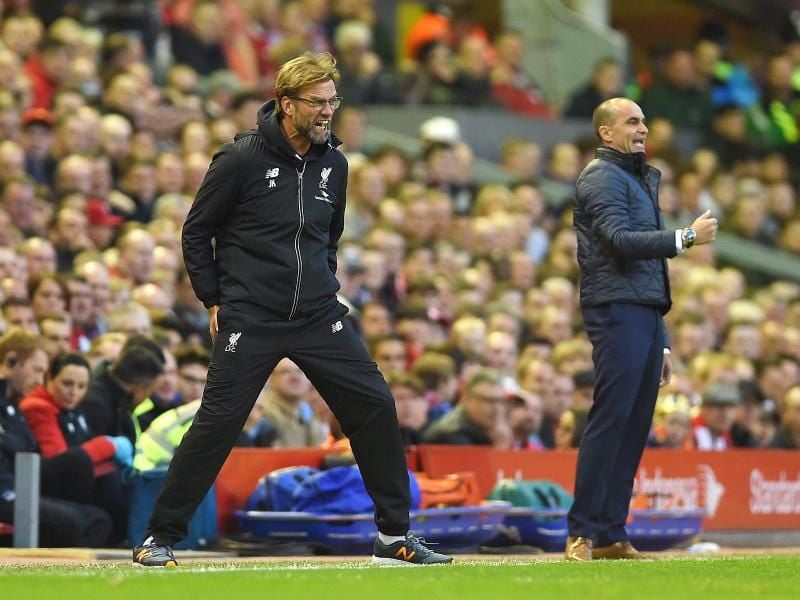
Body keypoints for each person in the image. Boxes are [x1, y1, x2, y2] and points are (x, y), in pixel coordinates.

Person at [133, 52, 452, 568]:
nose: (327, 112)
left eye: (332, 102)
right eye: (317, 103)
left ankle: (393, 536)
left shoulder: (336, 165)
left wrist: (324, 282)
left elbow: (328, 238)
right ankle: (159, 537)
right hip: (251, 315)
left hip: (317, 315)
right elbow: (196, 231)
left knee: (374, 404)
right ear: (286, 104)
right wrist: (214, 298)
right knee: (217, 423)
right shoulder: (240, 159)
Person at [565, 97, 718, 561]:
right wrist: (685, 237)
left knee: (633, 425)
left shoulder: (635, 177)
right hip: (615, 308)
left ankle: (611, 532)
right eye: (632, 121)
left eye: (645, 120)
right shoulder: (601, 175)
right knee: (612, 419)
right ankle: (582, 532)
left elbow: (645, 267)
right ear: (605, 133)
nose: (643, 128)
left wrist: (664, 342)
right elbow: (619, 242)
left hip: (643, 311)